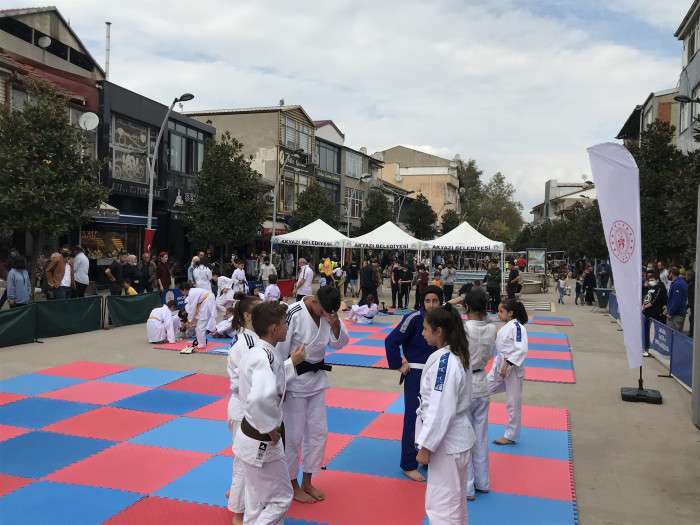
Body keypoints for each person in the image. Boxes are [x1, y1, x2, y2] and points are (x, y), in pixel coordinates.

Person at [274, 286, 349, 503]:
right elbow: (279, 354)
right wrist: (280, 387)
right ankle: (292, 484)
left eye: (331, 313)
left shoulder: (329, 313)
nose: (327, 316)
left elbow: (340, 343)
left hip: (317, 381)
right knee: (294, 437)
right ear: (315, 301)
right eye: (324, 312)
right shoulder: (293, 313)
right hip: (294, 383)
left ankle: (308, 480)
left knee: (318, 433)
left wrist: (335, 323)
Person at [234, 301, 305, 524]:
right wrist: (271, 430)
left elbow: (272, 377)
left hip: (250, 436)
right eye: (285, 323)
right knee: (281, 499)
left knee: (256, 500)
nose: (288, 326)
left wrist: (292, 362)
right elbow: (259, 398)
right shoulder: (263, 357)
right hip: (262, 439)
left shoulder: (259, 352)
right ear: (274, 329)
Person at [416, 303, 474, 524]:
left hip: (446, 444)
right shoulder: (457, 354)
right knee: (455, 504)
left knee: (441, 509)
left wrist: (427, 446)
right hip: (456, 441)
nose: (423, 333)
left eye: (425, 329)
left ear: (439, 331)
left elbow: (441, 408)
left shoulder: (445, 363)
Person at [385, 285, 443, 482]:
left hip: (439, 373)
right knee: (413, 417)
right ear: (422, 301)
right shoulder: (414, 318)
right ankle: (409, 464)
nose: (431, 304)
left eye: (435, 301)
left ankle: (427, 456)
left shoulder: (444, 319)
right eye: (427, 301)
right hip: (416, 374)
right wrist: (398, 363)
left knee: (434, 417)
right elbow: (391, 341)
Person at [226, 295, 263, 524]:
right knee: (244, 462)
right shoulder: (247, 343)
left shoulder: (251, 338)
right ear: (248, 316)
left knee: (244, 460)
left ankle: (236, 496)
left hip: (245, 406)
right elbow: (247, 382)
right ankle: (238, 513)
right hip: (244, 408)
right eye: (259, 310)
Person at [463, 290, 497, 501]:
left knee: (464, 436)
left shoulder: (464, 328)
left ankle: (467, 486)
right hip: (482, 382)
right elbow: (492, 353)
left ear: (466, 307)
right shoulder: (492, 328)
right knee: (481, 435)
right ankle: (482, 482)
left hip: (466, 383)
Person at [488, 299, 529, 445]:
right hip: (499, 366)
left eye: (501, 311)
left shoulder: (517, 327)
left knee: (513, 403)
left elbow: (521, 349)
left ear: (510, 313)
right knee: (481, 390)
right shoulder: (506, 327)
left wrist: (508, 364)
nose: (498, 314)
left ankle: (511, 435)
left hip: (512, 369)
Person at [180, 282, 216, 353]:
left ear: (184, 290)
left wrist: (189, 321)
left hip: (207, 301)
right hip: (205, 301)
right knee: (199, 326)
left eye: (181, 291)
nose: (181, 293)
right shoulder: (191, 293)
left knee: (200, 326)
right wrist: (190, 321)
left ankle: (202, 344)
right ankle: (201, 343)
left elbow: (192, 309)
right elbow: (193, 310)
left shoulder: (192, 294)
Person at [642, 271, 667, 356]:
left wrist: (645, 306)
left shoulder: (660, 287)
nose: (650, 281)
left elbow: (654, 300)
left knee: (652, 333)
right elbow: (646, 297)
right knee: (646, 332)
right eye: (649, 280)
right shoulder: (650, 288)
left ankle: (650, 349)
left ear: (657, 280)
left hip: (654, 314)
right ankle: (646, 348)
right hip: (647, 313)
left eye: (652, 280)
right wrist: (643, 305)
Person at [667, 267, 689, 332]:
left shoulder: (678, 284)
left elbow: (676, 301)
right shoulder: (681, 282)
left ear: (671, 273)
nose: (668, 275)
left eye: (668, 273)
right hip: (678, 313)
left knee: (672, 334)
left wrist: (670, 312)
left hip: (676, 315)